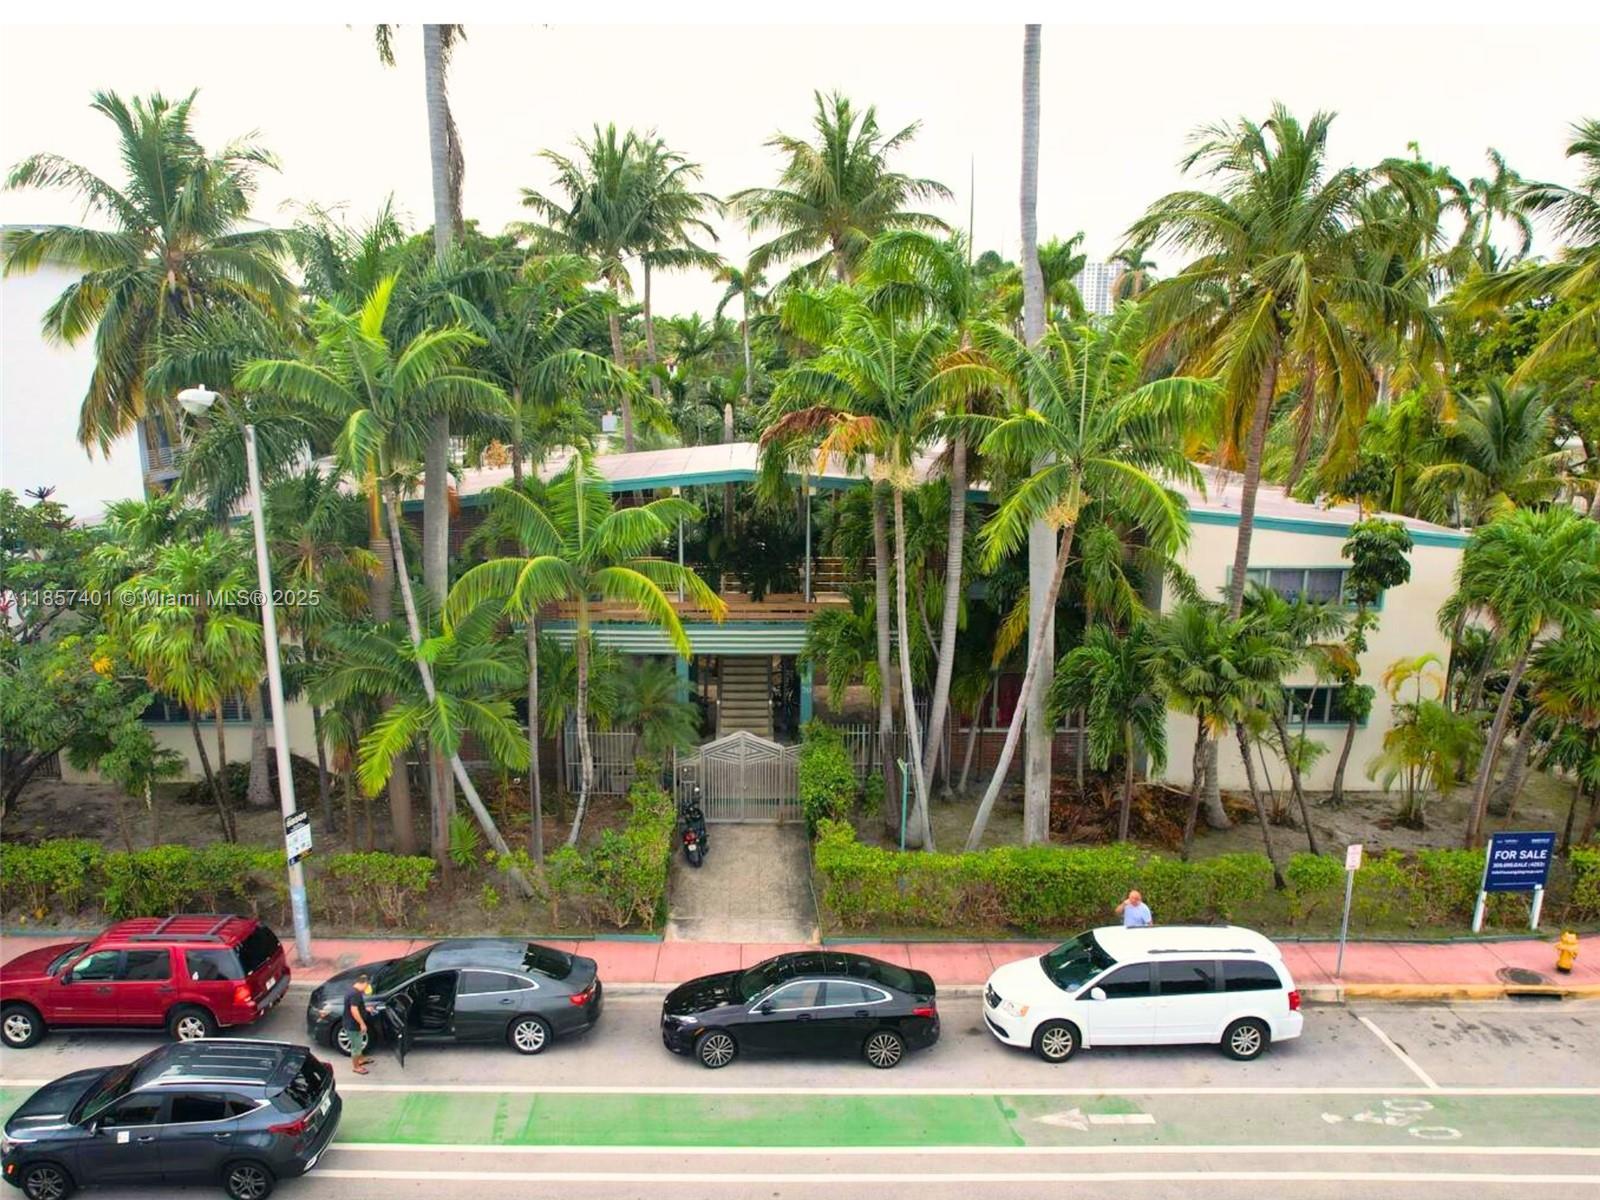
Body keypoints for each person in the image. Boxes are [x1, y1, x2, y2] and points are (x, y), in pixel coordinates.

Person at [343, 972, 375, 1074]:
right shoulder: (355, 994)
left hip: (349, 1022)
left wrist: (366, 1009)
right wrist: (362, 1023)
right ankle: (356, 1067)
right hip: (353, 1026)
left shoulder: (352, 990)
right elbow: (354, 1010)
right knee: (356, 1047)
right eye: (367, 985)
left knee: (359, 1043)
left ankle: (360, 1060)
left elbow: (356, 1007)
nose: (366, 988)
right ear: (364, 983)